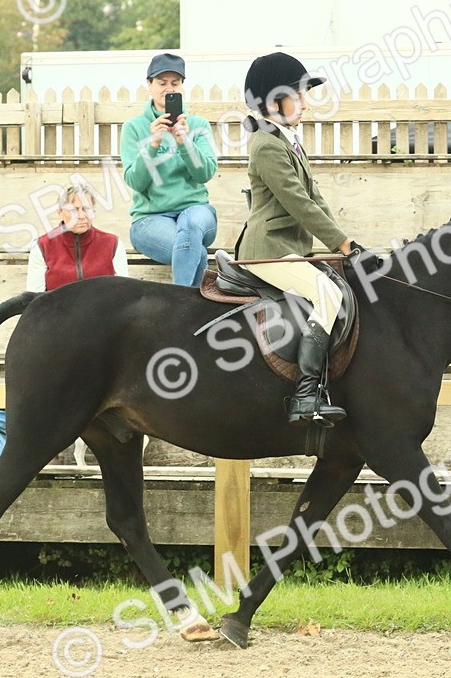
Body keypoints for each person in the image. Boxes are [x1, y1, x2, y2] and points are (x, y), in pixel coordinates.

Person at [238, 52, 380, 427]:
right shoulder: (266, 144)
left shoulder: (287, 141)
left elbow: (315, 197)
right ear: (272, 102)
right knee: (328, 294)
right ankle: (305, 394)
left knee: (338, 285)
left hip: (290, 249)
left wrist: (347, 242)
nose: (305, 103)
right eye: (297, 95)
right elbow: (298, 204)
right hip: (267, 251)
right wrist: (340, 244)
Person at [26, 182, 130, 465]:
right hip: (60, 336)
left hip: (105, 336)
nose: (82, 215)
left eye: (87, 209)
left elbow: (124, 296)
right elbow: (35, 300)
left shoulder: (112, 244)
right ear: (60, 212)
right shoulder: (43, 246)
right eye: (74, 209)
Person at [121, 53, 219, 287]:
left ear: (182, 87)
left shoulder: (197, 125)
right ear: (149, 85)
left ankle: (177, 308)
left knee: (191, 226)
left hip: (196, 211)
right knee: (198, 253)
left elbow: (204, 174)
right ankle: (189, 312)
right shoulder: (134, 128)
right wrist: (153, 143)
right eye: (161, 83)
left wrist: (185, 142)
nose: (168, 88)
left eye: (174, 83)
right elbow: (136, 181)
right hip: (150, 219)